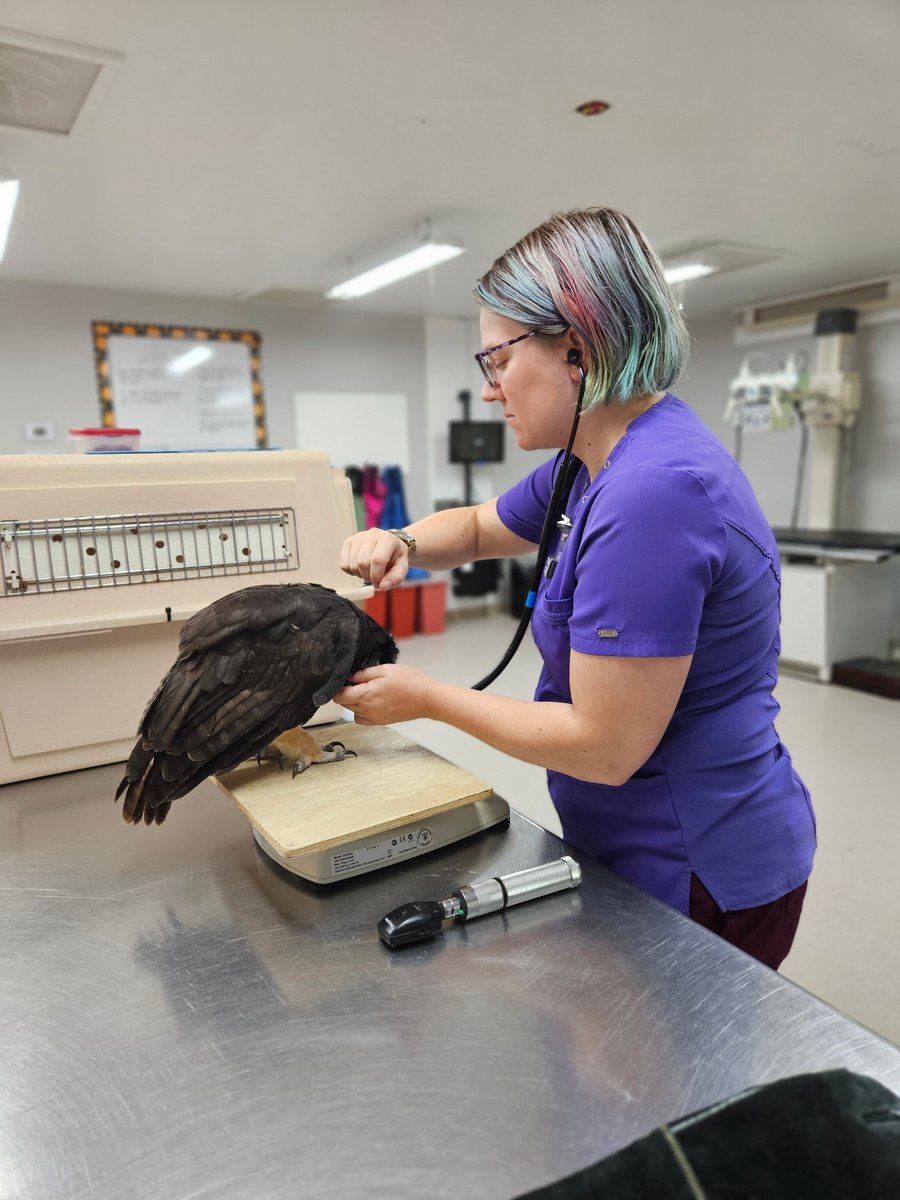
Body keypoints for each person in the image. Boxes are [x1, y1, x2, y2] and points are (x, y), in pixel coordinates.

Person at [336, 207, 815, 970]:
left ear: (578, 352)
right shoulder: (591, 459)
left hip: (695, 861)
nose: (491, 388)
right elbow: (482, 526)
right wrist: (400, 539)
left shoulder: (652, 492)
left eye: (497, 359)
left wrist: (425, 699)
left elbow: (604, 745)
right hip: (629, 835)